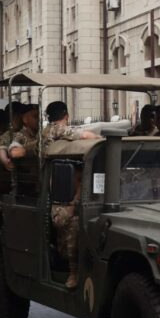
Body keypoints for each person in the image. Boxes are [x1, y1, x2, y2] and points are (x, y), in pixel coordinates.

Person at [41, 101, 99, 289]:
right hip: (55, 191)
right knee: (71, 223)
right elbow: (84, 135)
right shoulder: (55, 130)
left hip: (62, 187)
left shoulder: (49, 131)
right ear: (66, 115)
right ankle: (73, 272)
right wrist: (99, 138)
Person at [0, 102, 26, 172]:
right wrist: (5, 161)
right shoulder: (8, 134)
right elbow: (1, 149)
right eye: (20, 115)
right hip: (21, 173)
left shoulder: (28, 131)